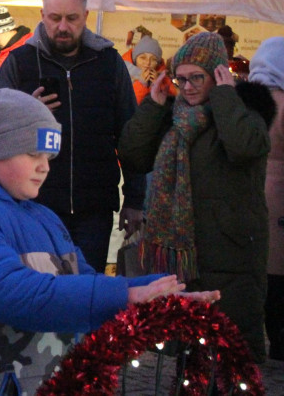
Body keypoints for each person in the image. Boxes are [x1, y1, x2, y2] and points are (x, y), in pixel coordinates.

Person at [0, 88, 218, 395]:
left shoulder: (42, 216)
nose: (45, 166)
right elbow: (10, 294)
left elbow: (84, 282)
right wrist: (128, 295)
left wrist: (164, 297)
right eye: (32, 153)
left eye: (49, 156)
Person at [119, 31, 274, 363]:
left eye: (196, 78)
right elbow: (132, 155)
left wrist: (224, 97)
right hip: (184, 255)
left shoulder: (245, 113)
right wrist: (153, 105)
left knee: (228, 350)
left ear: (218, 75)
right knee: (190, 352)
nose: (187, 86)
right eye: (181, 78)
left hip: (230, 254)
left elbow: (245, 146)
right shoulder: (173, 119)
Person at [0, 0, 142, 273]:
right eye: (55, 18)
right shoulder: (20, 63)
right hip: (34, 205)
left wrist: (136, 198)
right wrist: (25, 113)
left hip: (93, 208)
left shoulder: (108, 63)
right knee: (40, 295)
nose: (63, 26)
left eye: (71, 18)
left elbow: (130, 135)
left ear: (85, 16)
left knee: (86, 296)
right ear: (42, 15)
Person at [249, 36, 284, 360]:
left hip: (255, 190)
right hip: (280, 194)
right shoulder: (282, 102)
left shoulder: (248, 99)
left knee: (265, 273)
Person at [124, 34, 174, 105]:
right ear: (135, 59)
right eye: (143, 58)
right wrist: (141, 84)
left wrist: (158, 85)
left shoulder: (164, 77)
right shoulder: (121, 75)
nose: (147, 63)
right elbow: (128, 106)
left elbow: (169, 106)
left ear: (158, 63)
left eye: (153, 59)